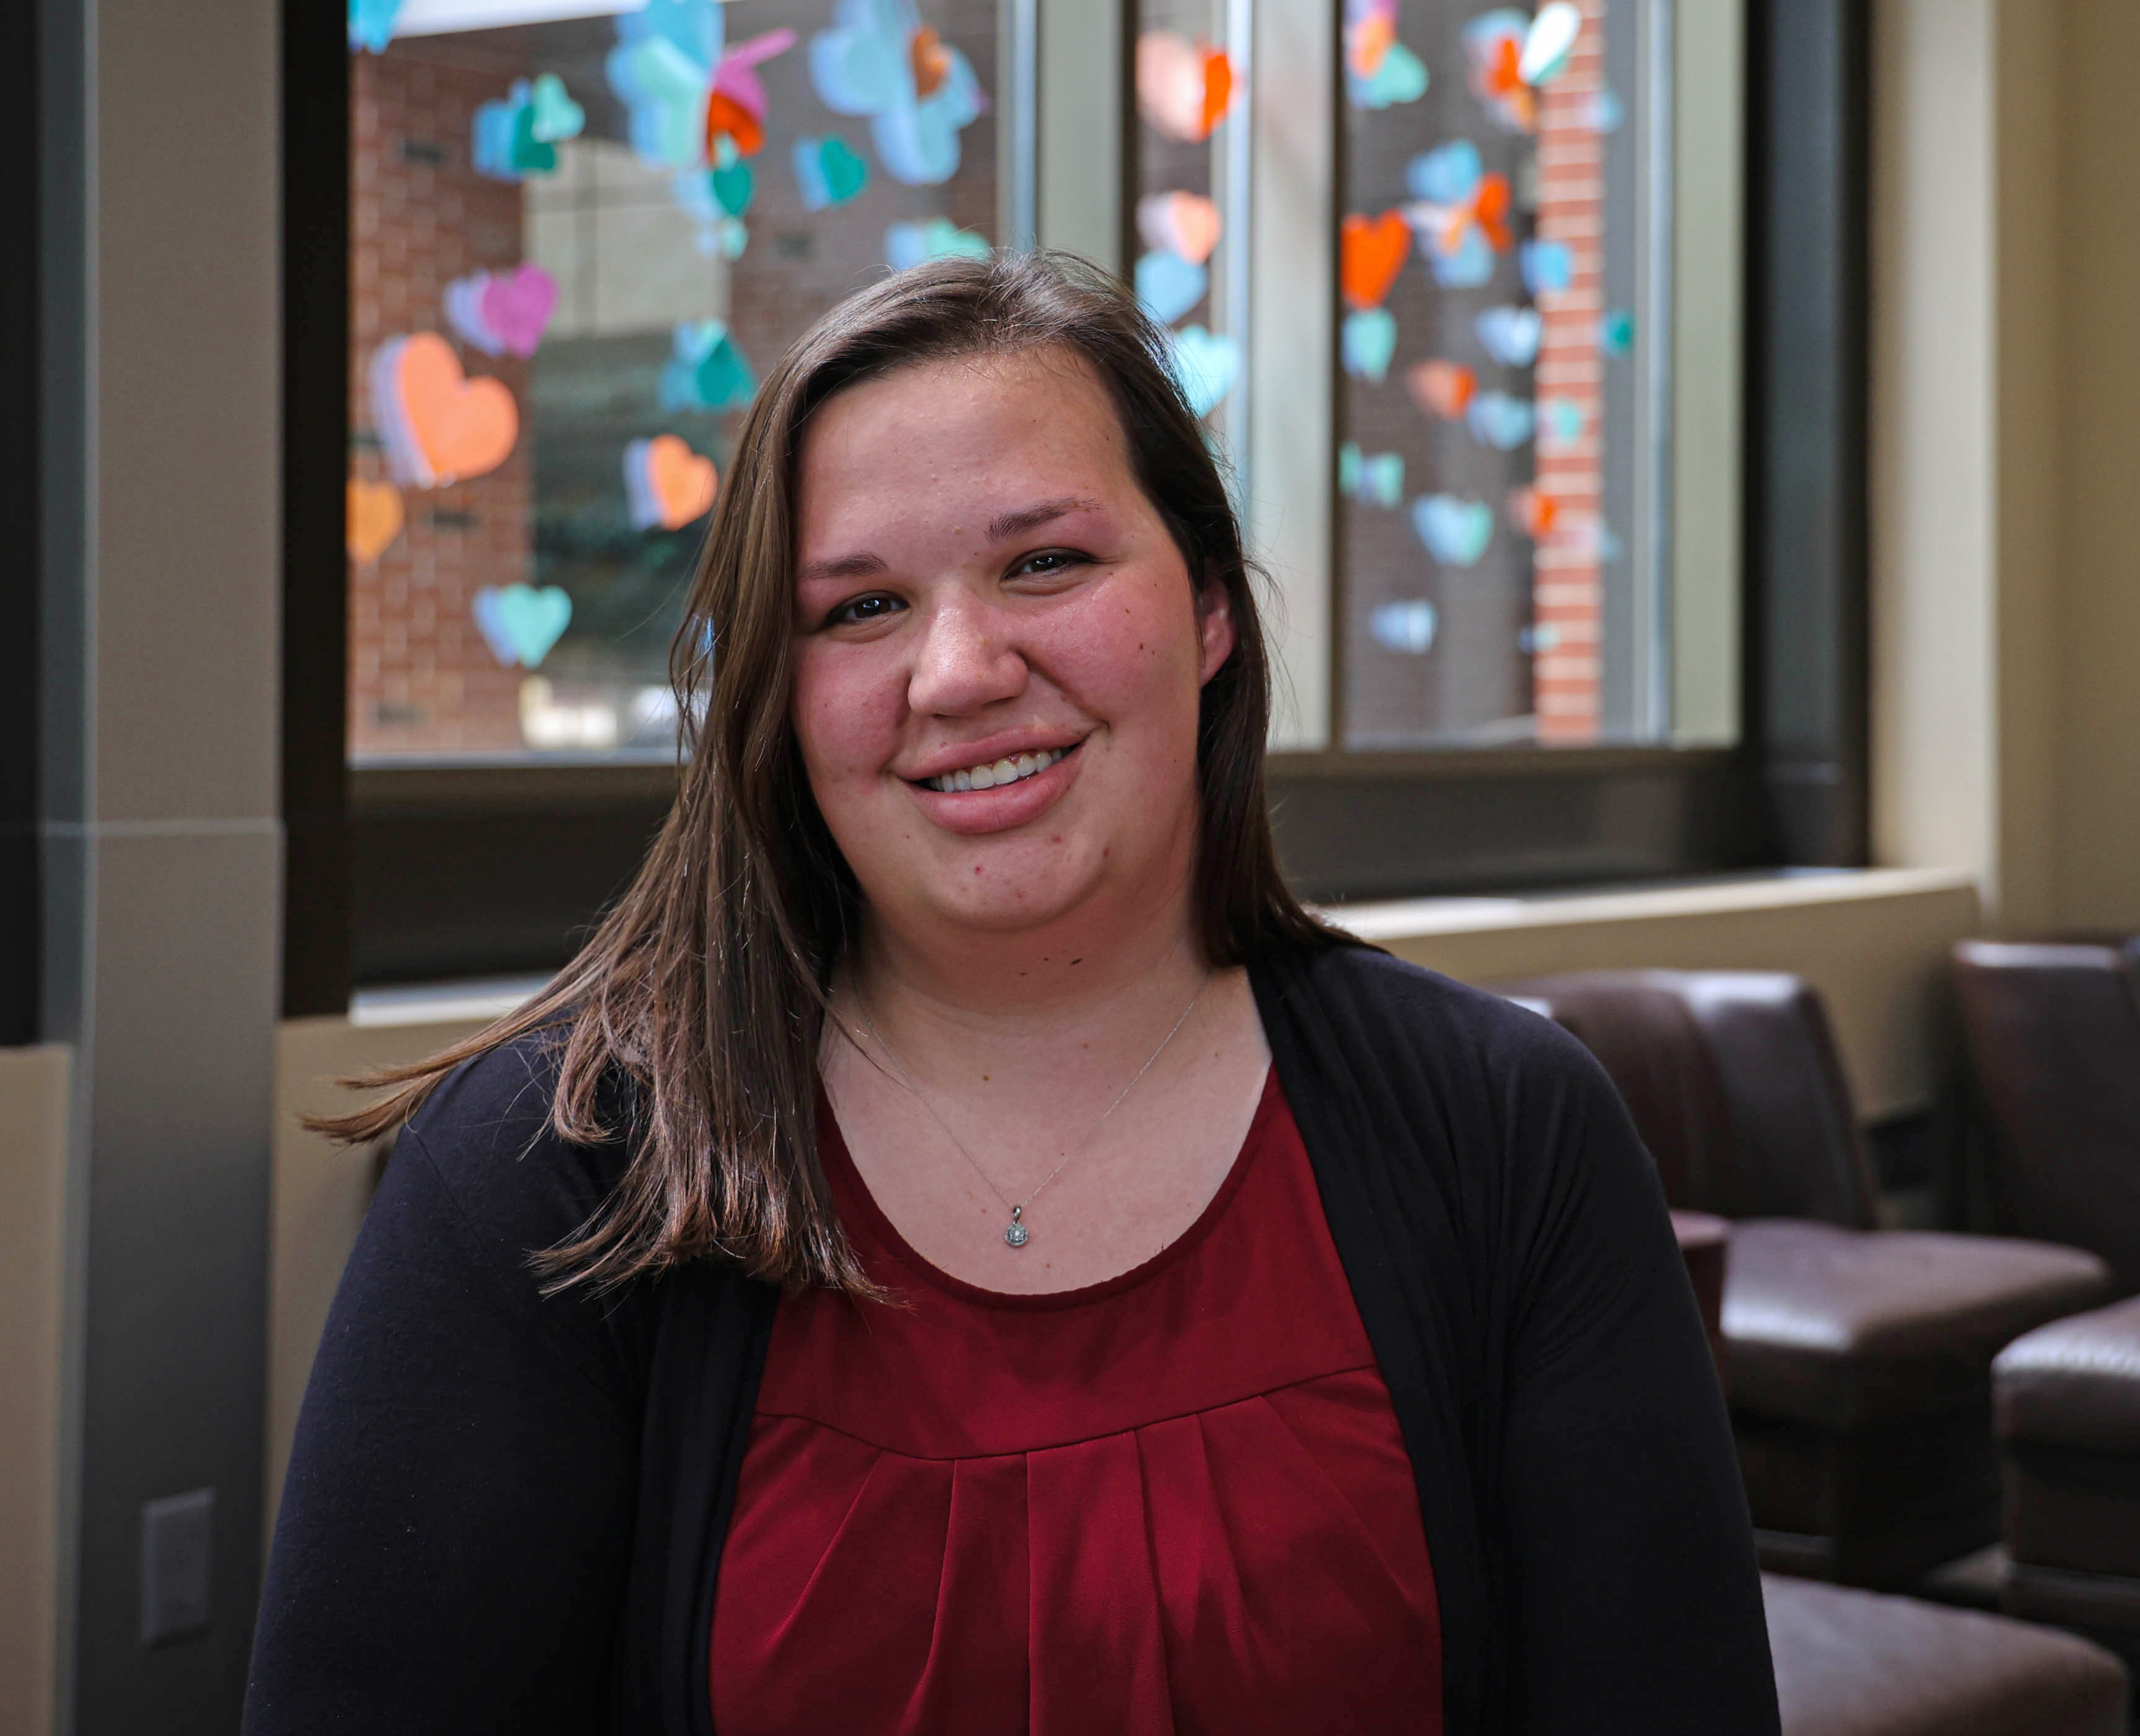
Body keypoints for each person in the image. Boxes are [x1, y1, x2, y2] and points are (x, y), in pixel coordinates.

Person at [244, 252, 1777, 1735]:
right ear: (778, 700)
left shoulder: (1505, 1130)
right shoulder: (547, 1173)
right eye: (858, 608)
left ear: (1210, 611)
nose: (961, 669)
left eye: (1045, 561)